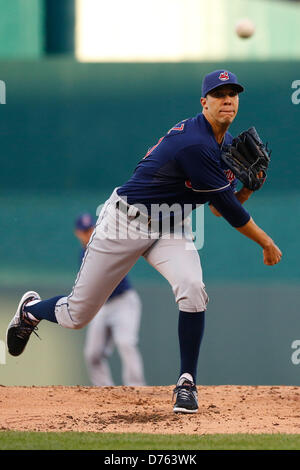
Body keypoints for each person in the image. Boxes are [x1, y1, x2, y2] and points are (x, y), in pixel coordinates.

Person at [7, 69, 282, 414]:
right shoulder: (195, 143)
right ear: (204, 102)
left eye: (233, 94)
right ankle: (30, 312)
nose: (228, 99)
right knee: (77, 315)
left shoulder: (225, 145)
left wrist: (245, 189)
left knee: (193, 287)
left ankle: (186, 383)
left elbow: (216, 206)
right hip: (124, 222)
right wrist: (267, 243)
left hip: (169, 225)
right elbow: (228, 212)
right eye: (219, 94)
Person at [74, 213, 145, 387]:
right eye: (84, 230)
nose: (88, 233)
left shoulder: (105, 245)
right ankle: (104, 390)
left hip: (123, 302)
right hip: (101, 307)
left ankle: (137, 388)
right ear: (78, 233)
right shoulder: (83, 255)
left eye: (91, 229)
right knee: (92, 353)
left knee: (126, 343)